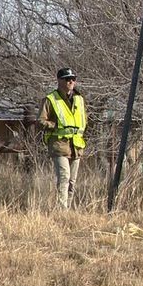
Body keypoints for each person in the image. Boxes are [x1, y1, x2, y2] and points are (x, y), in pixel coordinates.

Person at [38, 67, 87, 209]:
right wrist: (54, 125)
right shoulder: (51, 99)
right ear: (59, 80)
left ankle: (68, 209)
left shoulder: (79, 99)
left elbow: (85, 120)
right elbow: (41, 120)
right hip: (59, 144)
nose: (71, 81)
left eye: (73, 79)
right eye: (67, 79)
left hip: (76, 145)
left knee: (72, 181)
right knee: (64, 177)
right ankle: (61, 210)